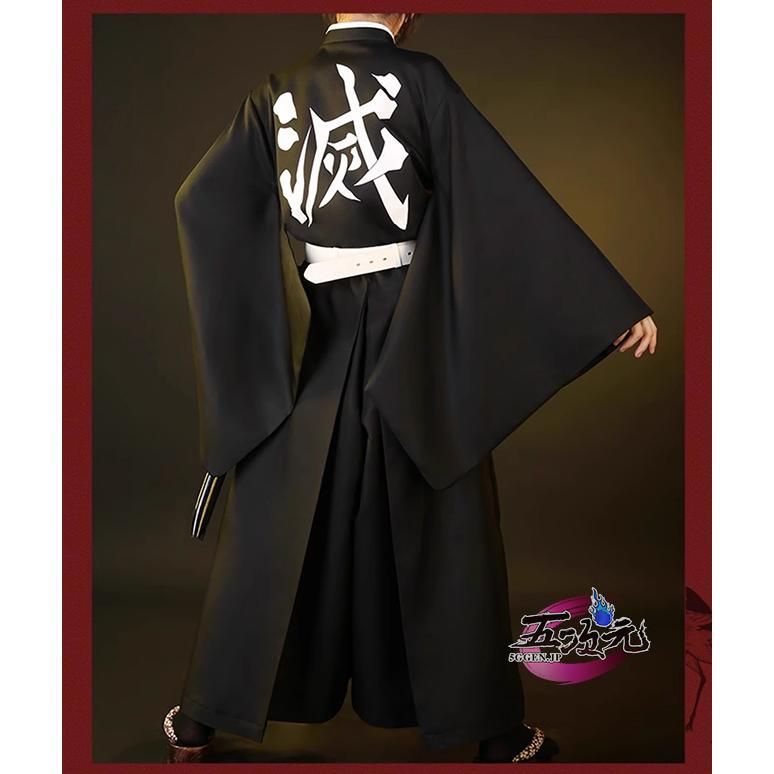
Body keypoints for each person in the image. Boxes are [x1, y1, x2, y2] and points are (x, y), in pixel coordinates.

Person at [165, 12, 657, 764]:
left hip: (314, 335)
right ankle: (494, 731)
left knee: (277, 521)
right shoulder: (419, 80)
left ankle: (203, 717)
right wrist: (602, 308)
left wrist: (264, 320)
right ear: (405, 11)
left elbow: (202, 200)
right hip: (411, 336)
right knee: (444, 515)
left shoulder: (276, 91)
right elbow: (501, 198)